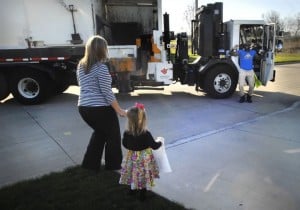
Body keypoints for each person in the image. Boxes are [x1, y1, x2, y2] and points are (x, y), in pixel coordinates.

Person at [77, 35, 127, 172]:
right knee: (113, 137)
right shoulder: (101, 68)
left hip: (83, 107)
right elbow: (107, 93)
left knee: (100, 134)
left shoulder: (81, 66)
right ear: (101, 50)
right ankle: (114, 166)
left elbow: (82, 85)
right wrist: (119, 110)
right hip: (99, 109)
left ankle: (90, 165)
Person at [119, 103, 162, 201]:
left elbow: (125, 144)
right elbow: (154, 146)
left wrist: (132, 148)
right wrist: (160, 143)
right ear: (143, 120)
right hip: (144, 159)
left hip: (132, 157)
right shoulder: (146, 134)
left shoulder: (127, 133)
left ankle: (132, 190)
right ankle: (142, 195)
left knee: (133, 172)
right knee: (143, 175)